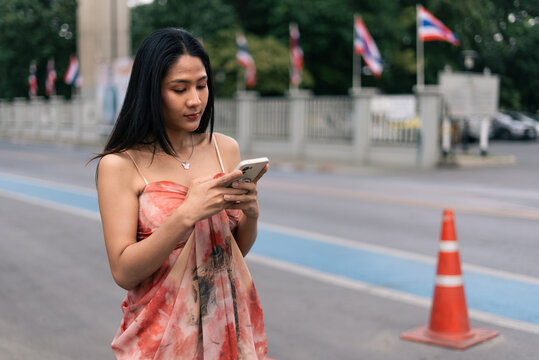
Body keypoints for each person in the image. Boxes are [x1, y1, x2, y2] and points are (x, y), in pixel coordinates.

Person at [94, 28, 269, 359]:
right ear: (151, 91)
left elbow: (231, 254)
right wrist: (187, 215)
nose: (195, 100)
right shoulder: (121, 165)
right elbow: (123, 271)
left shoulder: (224, 149)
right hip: (158, 338)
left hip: (227, 331)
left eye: (201, 85)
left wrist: (252, 215)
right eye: (179, 88)